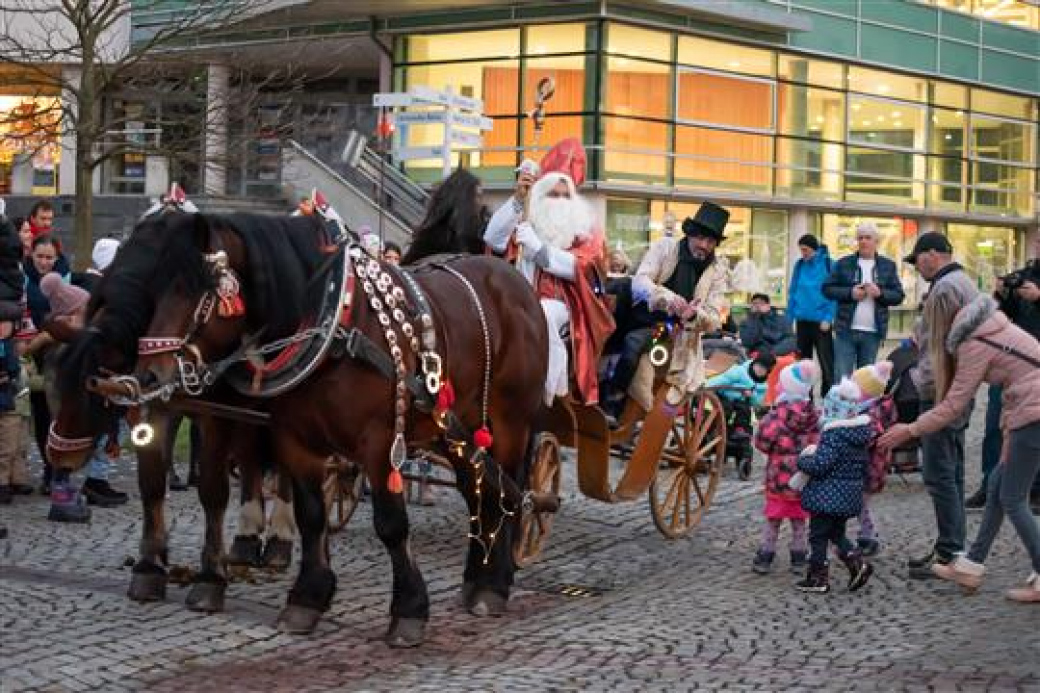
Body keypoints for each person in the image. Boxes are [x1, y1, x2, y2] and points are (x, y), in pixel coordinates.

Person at [878, 291, 1040, 604]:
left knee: (1012, 497)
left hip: (1033, 414)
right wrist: (1009, 431)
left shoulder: (974, 342)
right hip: (1028, 411)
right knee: (996, 484)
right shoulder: (993, 325)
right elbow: (1016, 380)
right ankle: (971, 564)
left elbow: (954, 405)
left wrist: (910, 429)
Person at [484, 139, 614, 405]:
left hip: (568, 305)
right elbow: (493, 237)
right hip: (518, 296)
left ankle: (546, 389)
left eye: (565, 195)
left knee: (540, 313)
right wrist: (518, 200)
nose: (559, 201)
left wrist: (539, 250)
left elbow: (582, 266)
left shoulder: (588, 229)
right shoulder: (528, 219)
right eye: (553, 194)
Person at [599, 202, 729, 419]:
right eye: (700, 238)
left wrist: (695, 315)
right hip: (634, 312)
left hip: (667, 329)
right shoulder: (665, 248)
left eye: (710, 241)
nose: (704, 245)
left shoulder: (717, 272)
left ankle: (614, 400)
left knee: (633, 343)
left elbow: (714, 319)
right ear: (689, 234)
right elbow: (640, 281)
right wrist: (668, 298)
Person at [900, 233, 979, 579]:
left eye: (917, 259)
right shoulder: (963, 282)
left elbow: (938, 347)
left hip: (943, 390)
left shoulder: (947, 288)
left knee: (939, 472)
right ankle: (954, 546)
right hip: (959, 386)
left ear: (932, 255)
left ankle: (950, 551)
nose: (917, 267)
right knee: (953, 470)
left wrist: (920, 386)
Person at [794, 377, 876, 594]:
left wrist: (802, 460)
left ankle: (818, 578)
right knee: (836, 534)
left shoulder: (833, 435)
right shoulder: (858, 436)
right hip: (847, 496)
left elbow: (821, 465)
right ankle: (858, 564)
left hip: (827, 497)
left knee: (818, 536)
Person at [972, 256, 1040, 512]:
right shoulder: (1023, 274)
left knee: (1033, 429)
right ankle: (990, 484)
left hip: (1036, 367)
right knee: (993, 424)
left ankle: (1034, 489)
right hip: (1009, 359)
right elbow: (1005, 315)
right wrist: (1002, 295)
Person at [751, 359, 820, 575]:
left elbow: (761, 442)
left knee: (773, 519)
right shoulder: (813, 417)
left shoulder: (774, 417)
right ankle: (799, 556)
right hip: (803, 478)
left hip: (778, 477)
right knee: (799, 520)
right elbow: (819, 443)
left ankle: (766, 555)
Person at [822, 222, 904, 379]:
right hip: (845, 331)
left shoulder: (888, 265)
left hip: (872, 333)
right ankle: (840, 404)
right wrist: (850, 293)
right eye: (860, 238)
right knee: (842, 378)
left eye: (868, 238)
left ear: (876, 241)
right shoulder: (843, 263)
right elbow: (827, 288)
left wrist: (880, 293)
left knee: (865, 381)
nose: (863, 241)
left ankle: (861, 405)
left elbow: (898, 295)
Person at [787, 234, 836, 394]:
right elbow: (793, 292)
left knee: (826, 362)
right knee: (803, 364)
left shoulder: (829, 264)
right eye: (801, 250)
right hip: (802, 322)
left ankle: (827, 396)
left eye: (806, 250)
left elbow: (833, 294)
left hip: (821, 322)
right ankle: (805, 397)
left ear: (814, 249)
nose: (803, 253)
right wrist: (789, 319)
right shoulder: (799, 265)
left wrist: (828, 318)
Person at [706, 353, 774, 409]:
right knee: (727, 408)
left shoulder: (762, 387)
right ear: (754, 363)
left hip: (742, 406)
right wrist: (707, 388)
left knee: (744, 412)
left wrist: (752, 396)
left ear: (768, 372)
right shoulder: (739, 372)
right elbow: (720, 380)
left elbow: (757, 403)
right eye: (759, 366)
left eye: (764, 369)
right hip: (724, 398)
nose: (760, 370)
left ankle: (740, 425)